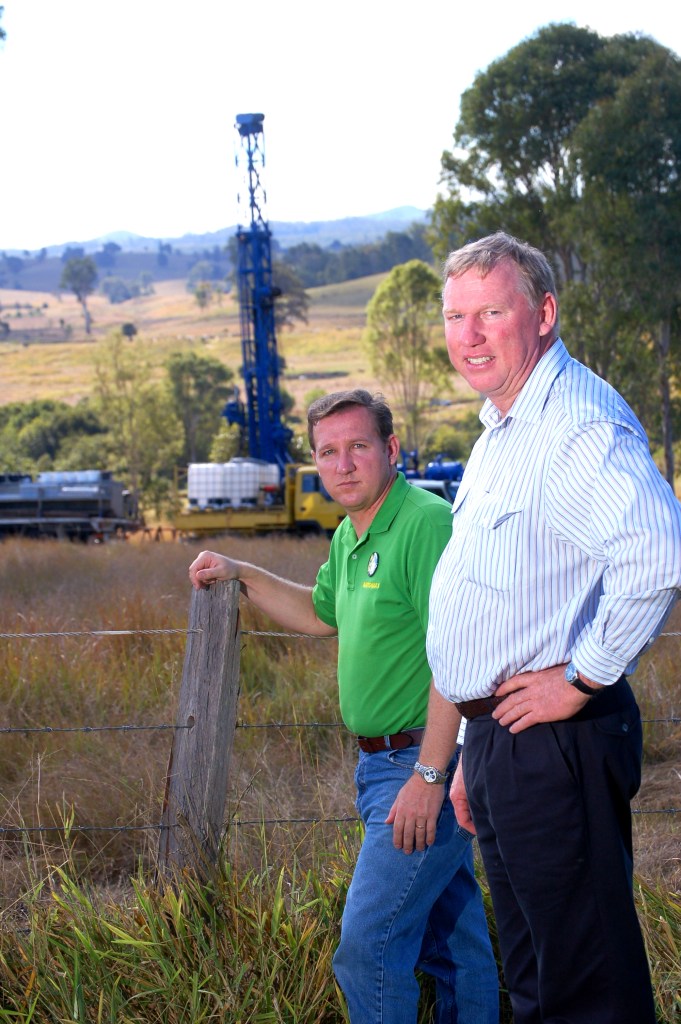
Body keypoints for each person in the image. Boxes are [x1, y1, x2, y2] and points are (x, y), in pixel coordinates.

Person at [419, 231, 681, 1024]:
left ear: (542, 314)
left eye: (490, 313)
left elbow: (655, 556)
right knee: (537, 978)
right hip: (504, 739)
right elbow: (502, 603)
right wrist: (473, 751)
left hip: (554, 741)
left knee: (583, 986)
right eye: (455, 316)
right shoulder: (504, 427)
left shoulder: (574, 424)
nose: (468, 335)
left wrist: (578, 679)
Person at [189, 389, 499, 1024]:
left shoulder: (425, 524)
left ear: (391, 449)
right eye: (328, 452)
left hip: (422, 763)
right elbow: (319, 612)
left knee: (367, 947)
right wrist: (241, 571)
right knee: (455, 940)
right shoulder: (350, 533)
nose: (344, 464)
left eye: (358, 446)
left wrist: (430, 775)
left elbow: (463, 652)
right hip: (382, 767)